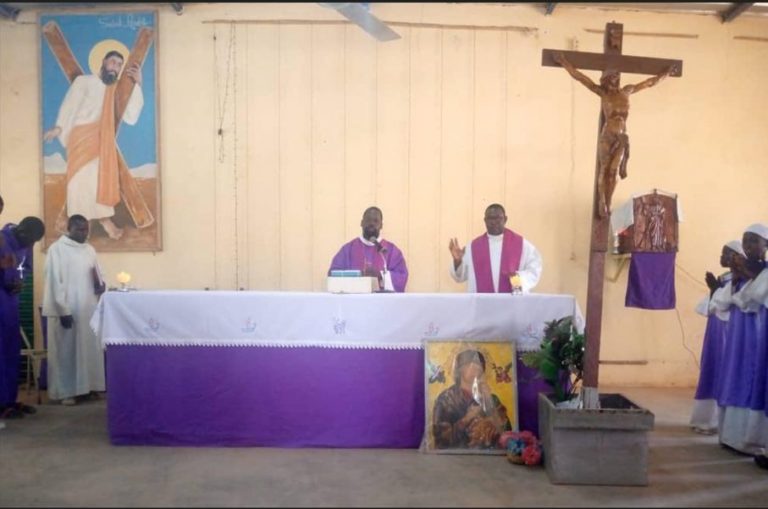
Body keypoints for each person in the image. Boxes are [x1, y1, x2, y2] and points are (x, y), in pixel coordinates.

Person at [553, 52, 676, 218]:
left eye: (614, 78)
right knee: (604, 169)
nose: (611, 81)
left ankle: (608, 202)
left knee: (614, 170)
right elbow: (580, 77)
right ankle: (602, 201)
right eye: (609, 78)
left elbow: (649, 83)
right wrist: (564, 62)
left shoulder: (627, 91)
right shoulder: (603, 94)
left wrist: (666, 73)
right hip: (608, 135)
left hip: (621, 137)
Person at [43, 49, 144, 241]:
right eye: (112, 61)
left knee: (98, 181)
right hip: (80, 138)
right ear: (103, 63)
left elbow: (131, 117)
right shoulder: (84, 82)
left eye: (119, 64)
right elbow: (69, 105)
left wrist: (138, 85)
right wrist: (58, 127)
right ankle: (90, 225)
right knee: (79, 182)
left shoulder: (115, 90)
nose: (115, 66)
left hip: (102, 141)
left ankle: (102, 223)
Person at [714, 224, 768, 454]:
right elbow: (731, 300)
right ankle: (732, 436)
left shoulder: (762, 270)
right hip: (739, 334)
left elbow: (753, 299)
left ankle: (751, 440)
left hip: (755, 333)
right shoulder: (749, 271)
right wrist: (739, 278)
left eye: (754, 241)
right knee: (735, 375)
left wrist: (750, 275)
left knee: (751, 378)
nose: (748, 246)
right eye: (746, 241)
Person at [42, 215, 107, 406]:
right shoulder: (57, 250)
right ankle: (66, 392)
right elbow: (54, 281)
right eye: (80, 229)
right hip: (67, 309)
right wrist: (63, 310)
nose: (84, 233)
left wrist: (102, 285)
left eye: (86, 229)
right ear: (69, 228)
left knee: (87, 350)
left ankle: (87, 388)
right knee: (66, 352)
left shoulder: (89, 250)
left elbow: (99, 273)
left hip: (87, 308)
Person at [689, 240, 746, 434]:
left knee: (721, 372)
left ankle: (714, 423)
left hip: (726, 330)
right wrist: (714, 289)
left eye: (726, 254)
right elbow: (709, 305)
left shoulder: (739, 279)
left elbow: (724, 303)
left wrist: (714, 290)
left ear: (737, 256)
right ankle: (704, 420)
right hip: (715, 329)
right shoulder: (725, 278)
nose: (722, 258)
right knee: (710, 369)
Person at [0, 217, 45, 419]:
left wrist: (21, 283)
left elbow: (25, 268)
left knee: (11, 351)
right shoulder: (2, 239)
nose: (30, 246)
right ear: (21, 231)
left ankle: (9, 400)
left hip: (12, 302)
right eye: (29, 241)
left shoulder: (27, 242)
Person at [449, 203, 542, 293]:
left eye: (498, 218)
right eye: (490, 218)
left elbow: (534, 270)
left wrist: (517, 279)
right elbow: (460, 277)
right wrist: (458, 262)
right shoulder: (473, 248)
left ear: (505, 219)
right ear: (485, 220)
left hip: (512, 304)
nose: (494, 222)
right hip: (482, 305)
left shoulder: (522, 245)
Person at [432, 349, 511, 449]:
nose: (475, 369)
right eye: (469, 365)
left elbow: (507, 433)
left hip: (487, 458)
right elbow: (440, 439)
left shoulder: (491, 398)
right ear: (459, 369)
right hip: (453, 458)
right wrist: (466, 419)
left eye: (479, 366)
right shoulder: (445, 399)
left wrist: (489, 402)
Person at [328, 206, 409, 292]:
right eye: (368, 220)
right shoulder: (348, 250)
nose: (372, 223)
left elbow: (402, 277)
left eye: (376, 221)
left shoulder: (391, 251)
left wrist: (380, 275)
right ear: (361, 223)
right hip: (354, 302)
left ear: (381, 225)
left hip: (382, 303)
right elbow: (333, 274)